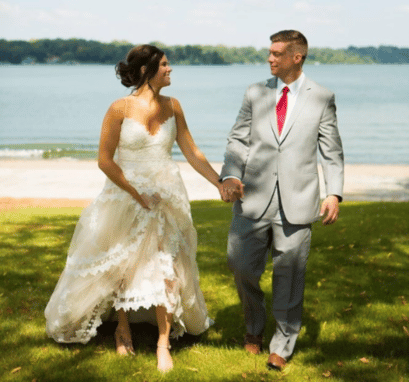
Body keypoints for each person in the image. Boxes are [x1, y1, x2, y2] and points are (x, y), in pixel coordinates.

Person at [45, 44, 222, 373]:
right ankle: (122, 330)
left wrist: (220, 182)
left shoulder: (174, 106)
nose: (170, 70)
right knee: (125, 265)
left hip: (167, 195)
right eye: (165, 65)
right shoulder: (119, 108)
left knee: (168, 263)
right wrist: (137, 193)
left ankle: (163, 342)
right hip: (126, 195)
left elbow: (192, 151)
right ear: (146, 70)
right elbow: (104, 160)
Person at [220, 30, 344, 371]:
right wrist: (230, 174)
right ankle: (253, 326)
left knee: (290, 274)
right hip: (252, 197)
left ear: (296, 57)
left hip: (298, 200)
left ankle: (282, 343)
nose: (270, 59)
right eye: (269, 53)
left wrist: (333, 192)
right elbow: (237, 139)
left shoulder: (322, 97)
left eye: (276, 54)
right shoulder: (255, 93)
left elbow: (331, 151)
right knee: (240, 264)